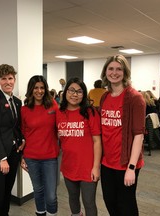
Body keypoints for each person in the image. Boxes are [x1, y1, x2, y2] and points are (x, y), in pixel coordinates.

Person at [99, 54, 145, 216]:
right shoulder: (104, 97)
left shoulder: (135, 98)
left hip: (126, 163)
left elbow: (139, 135)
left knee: (126, 206)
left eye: (119, 69)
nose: (114, 72)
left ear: (125, 72)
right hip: (107, 162)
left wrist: (131, 167)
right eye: (110, 68)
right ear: (105, 72)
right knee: (110, 202)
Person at [56, 77, 102, 216]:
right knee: (73, 199)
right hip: (68, 165)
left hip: (88, 167)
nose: (74, 94)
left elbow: (97, 142)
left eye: (79, 91)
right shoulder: (59, 113)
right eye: (71, 90)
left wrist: (95, 167)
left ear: (84, 94)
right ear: (65, 92)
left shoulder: (90, 112)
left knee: (89, 202)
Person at [0, 64, 25, 216]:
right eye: (4, 79)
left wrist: (21, 140)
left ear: (14, 79)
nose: (8, 82)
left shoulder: (16, 101)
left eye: (10, 78)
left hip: (13, 153)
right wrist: (2, 158)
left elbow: (15, 127)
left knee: (7, 191)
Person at [21, 75, 59, 216]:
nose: (39, 91)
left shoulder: (53, 106)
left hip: (50, 157)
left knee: (51, 195)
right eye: (36, 88)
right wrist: (22, 157)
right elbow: (23, 135)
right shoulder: (24, 110)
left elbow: (60, 127)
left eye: (42, 88)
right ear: (31, 90)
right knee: (38, 191)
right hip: (31, 157)